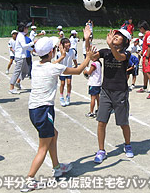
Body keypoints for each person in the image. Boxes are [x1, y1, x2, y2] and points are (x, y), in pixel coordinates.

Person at [21, 37, 94, 191]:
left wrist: (61, 56)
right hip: (44, 110)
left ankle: (57, 167)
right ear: (51, 51)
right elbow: (78, 71)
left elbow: (51, 65)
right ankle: (29, 179)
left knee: (53, 134)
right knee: (43, 147)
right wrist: (88, 57)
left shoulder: (36, 65)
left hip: (34, 110)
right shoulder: (54, 68)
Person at [84, 27, 134, 163]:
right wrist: (87, 39)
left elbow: (118, 57)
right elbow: (91, 56)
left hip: (120, 92)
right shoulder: (105, 52)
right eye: (115, 35)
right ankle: (101, 150)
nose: (115, 36)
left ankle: (127, 144)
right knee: (101, 122)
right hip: (106, 91)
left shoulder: (126, 54)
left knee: (123, 122)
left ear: (125, 42)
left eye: (119, 36)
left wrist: (111, 45)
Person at [9, 22, 35, 94]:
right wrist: (33, 43)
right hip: (19, 57)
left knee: (26, 71)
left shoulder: (21, 36)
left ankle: (17, 82)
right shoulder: (21, 36)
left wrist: (32, 49)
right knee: (16, 72)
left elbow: (25, 47)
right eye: (26, 28)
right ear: (23, 29)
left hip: (23, 57)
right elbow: (24, 46)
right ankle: (11, 87)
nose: (27, 29)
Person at [137, 21, 150, 99]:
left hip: (149, 57)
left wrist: (147, 58)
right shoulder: (148, 35)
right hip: (145, 55)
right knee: (145, 72)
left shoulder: (149, 35)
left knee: (149, 73)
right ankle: (144, 87)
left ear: (142, 28)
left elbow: (149, 46)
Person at [56, 38, 77, 106]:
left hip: (69, 69)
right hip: (62, 70)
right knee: (62, 83)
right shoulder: (59, 53)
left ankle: (68, 96)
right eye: (66, 43)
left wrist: (76, 65)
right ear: (62, 45)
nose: (68, 44)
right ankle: (61, 97)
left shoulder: (72, 51)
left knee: (69, 83)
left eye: (69, 42)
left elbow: (74, 59)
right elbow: (57, 61)